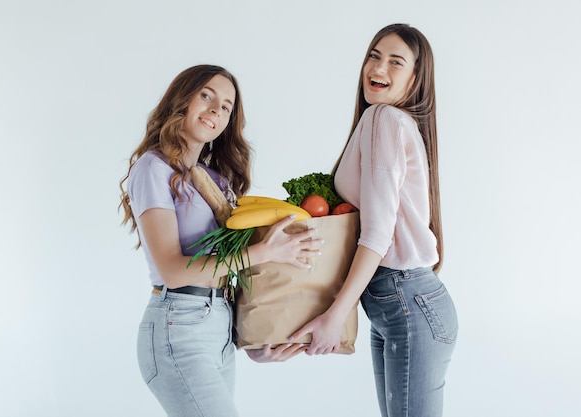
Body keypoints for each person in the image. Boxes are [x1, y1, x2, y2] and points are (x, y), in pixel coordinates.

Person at [118, 64, 318, 417]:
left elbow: (226, 272)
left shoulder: (216, 180)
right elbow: (175, 271)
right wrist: (266, 251)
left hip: (219, 324)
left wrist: (252, 339)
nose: (215, 110)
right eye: (206, 95)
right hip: (177, 326)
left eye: (226, 106)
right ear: (182, 100)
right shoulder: (153, 169)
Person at [290, 24, 458, 417]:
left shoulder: (385, 119)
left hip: (405, 301)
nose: (378, 66)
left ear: (415, 80)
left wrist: (334, 317)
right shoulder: (383, 121)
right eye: (374, 55)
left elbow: (377, 235)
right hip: (400, 304)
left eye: (395, 61)